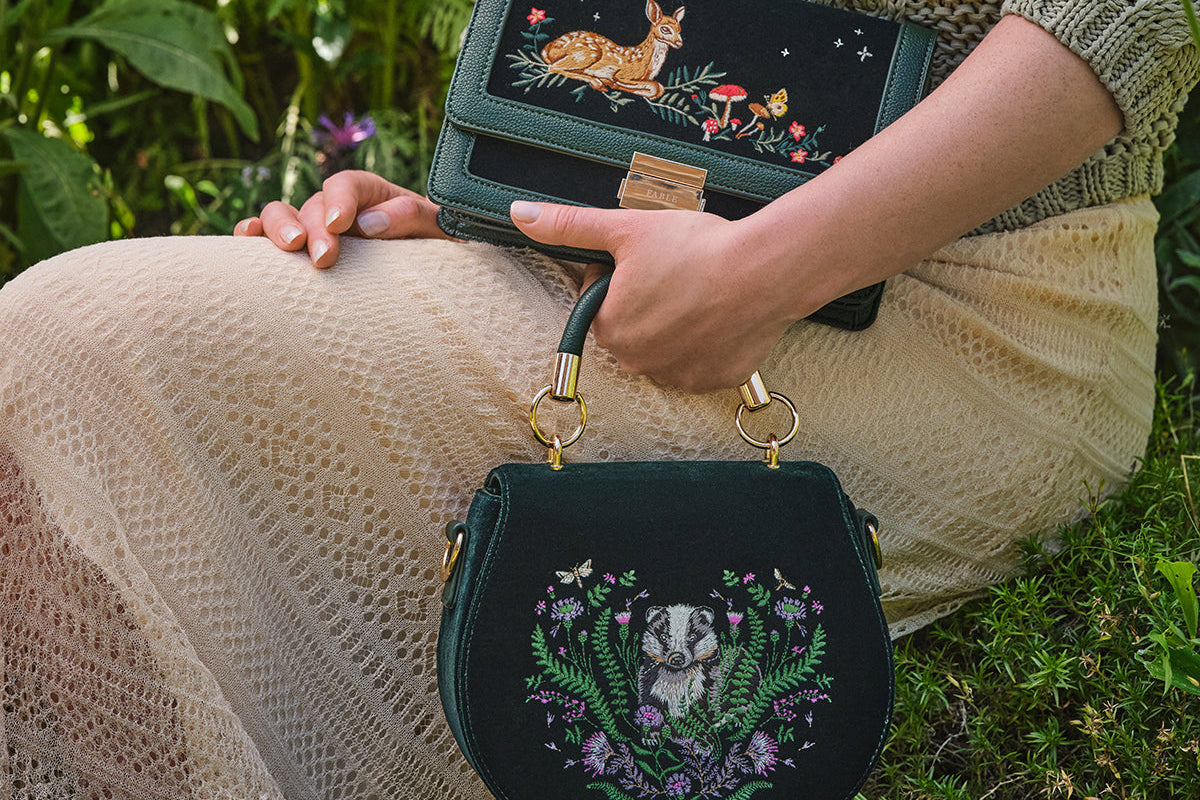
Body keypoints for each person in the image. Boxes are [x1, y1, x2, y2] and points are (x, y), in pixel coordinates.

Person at [0, 1, 1196, 797]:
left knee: (76, 347)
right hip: (645, 249)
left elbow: (1129, 16)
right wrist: (483, 197)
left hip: (961, 302)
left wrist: (769, 263)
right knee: (90, 355)